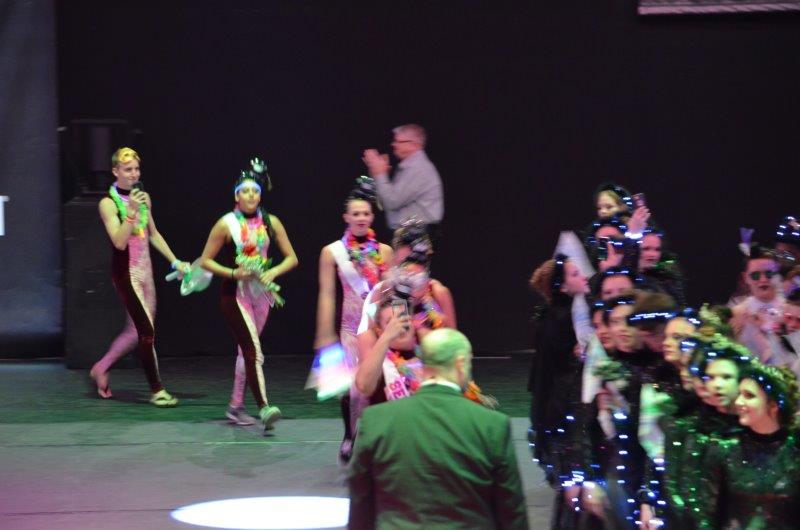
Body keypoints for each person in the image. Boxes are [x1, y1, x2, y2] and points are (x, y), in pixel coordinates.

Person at [348, 328, 529, 530]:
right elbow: (511, 511)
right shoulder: (493, 425)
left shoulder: (376, 420)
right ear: (460, 363)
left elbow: (361, 505)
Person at [200, 161, 298, 431]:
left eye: (255, 191)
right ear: (236, 196)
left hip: (262, 295)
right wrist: (233, 273)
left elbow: (292, 258)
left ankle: (235, 406)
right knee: (253, 350)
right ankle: (264, 407)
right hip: (235, 294)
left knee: (246, 352)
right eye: (245, 191)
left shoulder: (271, 222)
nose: (251, 195)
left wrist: (273, 271)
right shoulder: (226, 224)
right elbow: (205, 260)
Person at [91, 147, 189, 406]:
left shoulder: (144, 198)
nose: (134, 174)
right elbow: (119, 242)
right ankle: (157, 390)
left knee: (137, 332)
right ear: (115, 171)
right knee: (146, 332)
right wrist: (131, 212)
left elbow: (153, 234)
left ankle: (101, 367)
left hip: (146, 271)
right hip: (126, 274)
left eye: (136, 169)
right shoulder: (108, 204)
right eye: (128, 169)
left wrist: (175, 261)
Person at [314, 177, 392, 461]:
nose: (361, 218)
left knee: (375, 385)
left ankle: (374, 438)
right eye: (355, 213)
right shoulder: (332, 252)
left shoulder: (384, 252)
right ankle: (349, 434)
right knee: (348, 388)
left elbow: (391, 293)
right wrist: (325, 334)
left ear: (372, 217)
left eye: (366, 213)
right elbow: (326, 295)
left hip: (375, 328)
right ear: (346, 217)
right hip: (349, 328)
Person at [528, 254, 596, 528]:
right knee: (573, 481)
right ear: (563, 286)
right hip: (563, 407)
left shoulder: (561, 312)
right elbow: (558, 369)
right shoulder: (563, 317)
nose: (584, 277)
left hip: (555, 405)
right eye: (575, 274)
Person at [701, 363, 800, 529]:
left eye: (749, 396)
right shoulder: (723, 449)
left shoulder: (795, 450)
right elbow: (709, 515)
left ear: (774, 405)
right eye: (739, 394)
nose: (738, 402)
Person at [362, 124, 444, 240]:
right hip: (408, 235)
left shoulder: (418, 168)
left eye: (398, 141)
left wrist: (380, 174)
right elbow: (384, 204)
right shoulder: (409, 168)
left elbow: (392, 202)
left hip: (416, 237)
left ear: (414, 145)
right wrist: (377, 174)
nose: (393, 144)